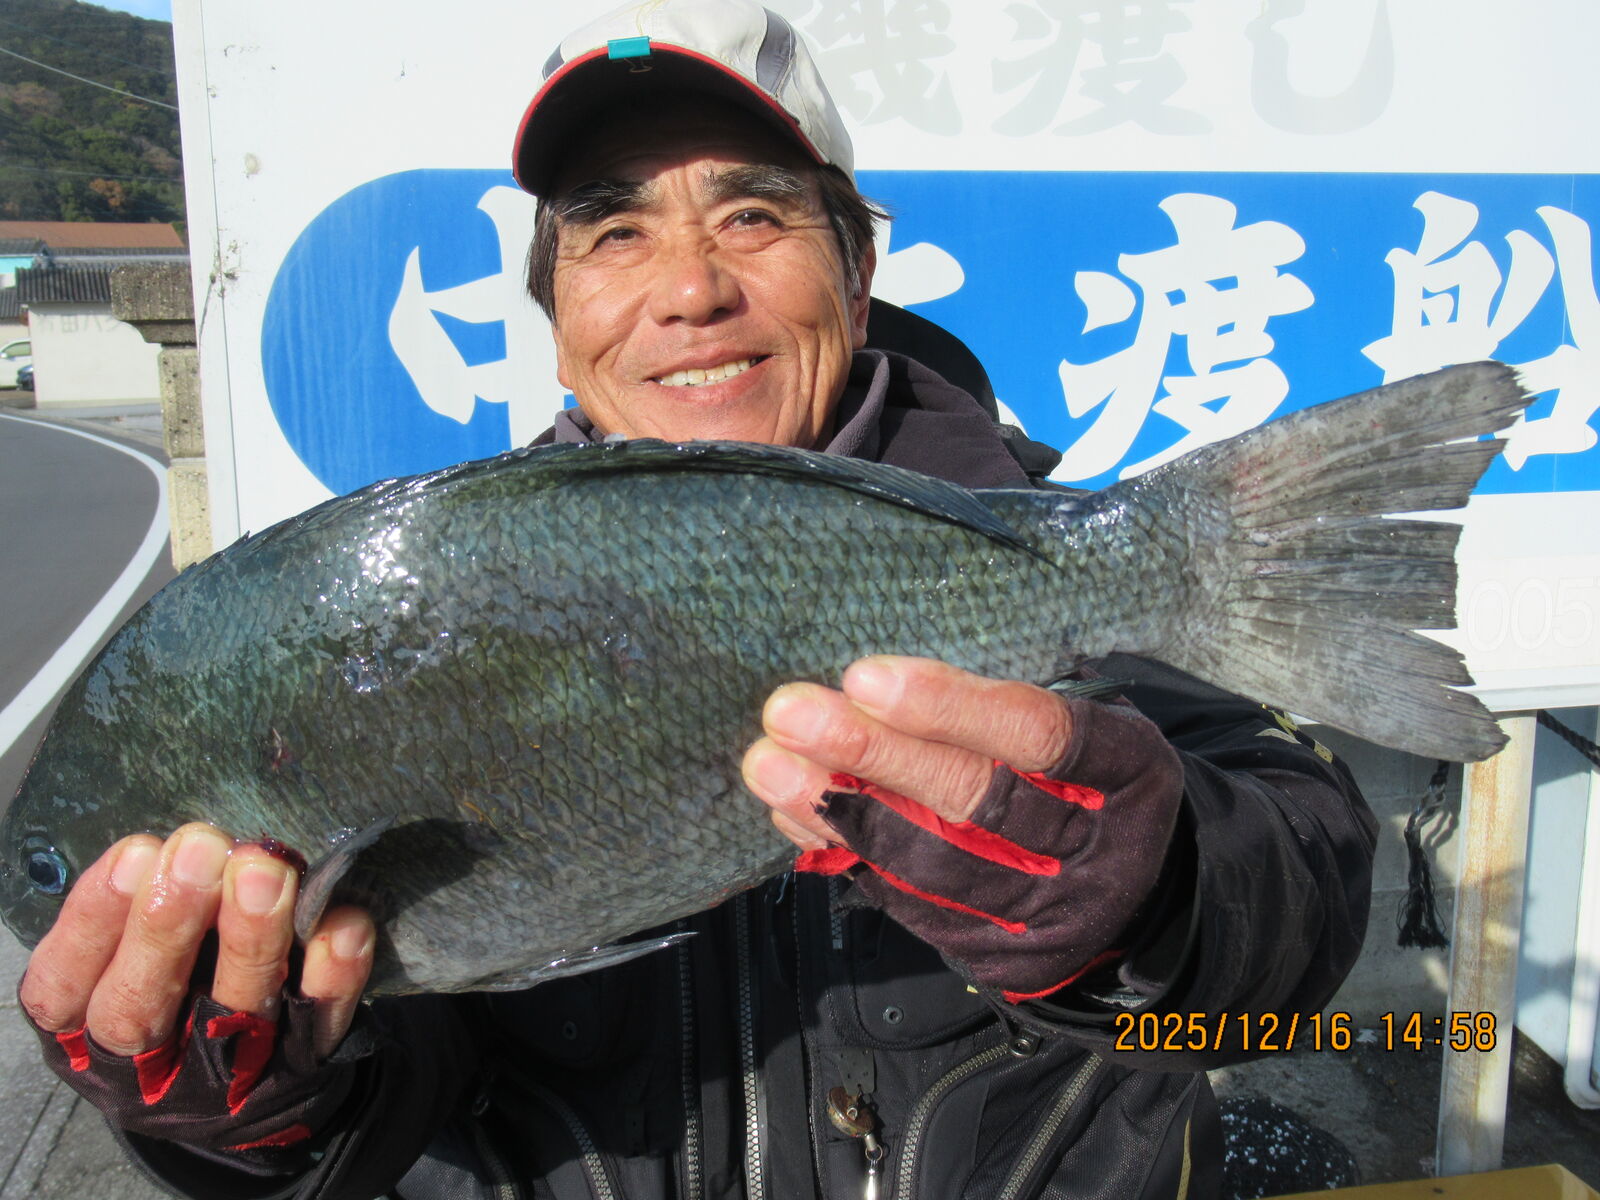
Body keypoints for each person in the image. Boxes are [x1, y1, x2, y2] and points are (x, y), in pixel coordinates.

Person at [17, 2, 1377, 1196]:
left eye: (753, 215)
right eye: (614, 230)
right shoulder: (431, 606)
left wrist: (1158, 895)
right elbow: (388, 1118)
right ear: (558, 319)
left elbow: (1303, 888)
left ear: (856, 273)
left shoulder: (1050, 558)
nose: (689, 289)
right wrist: (254, 1113)